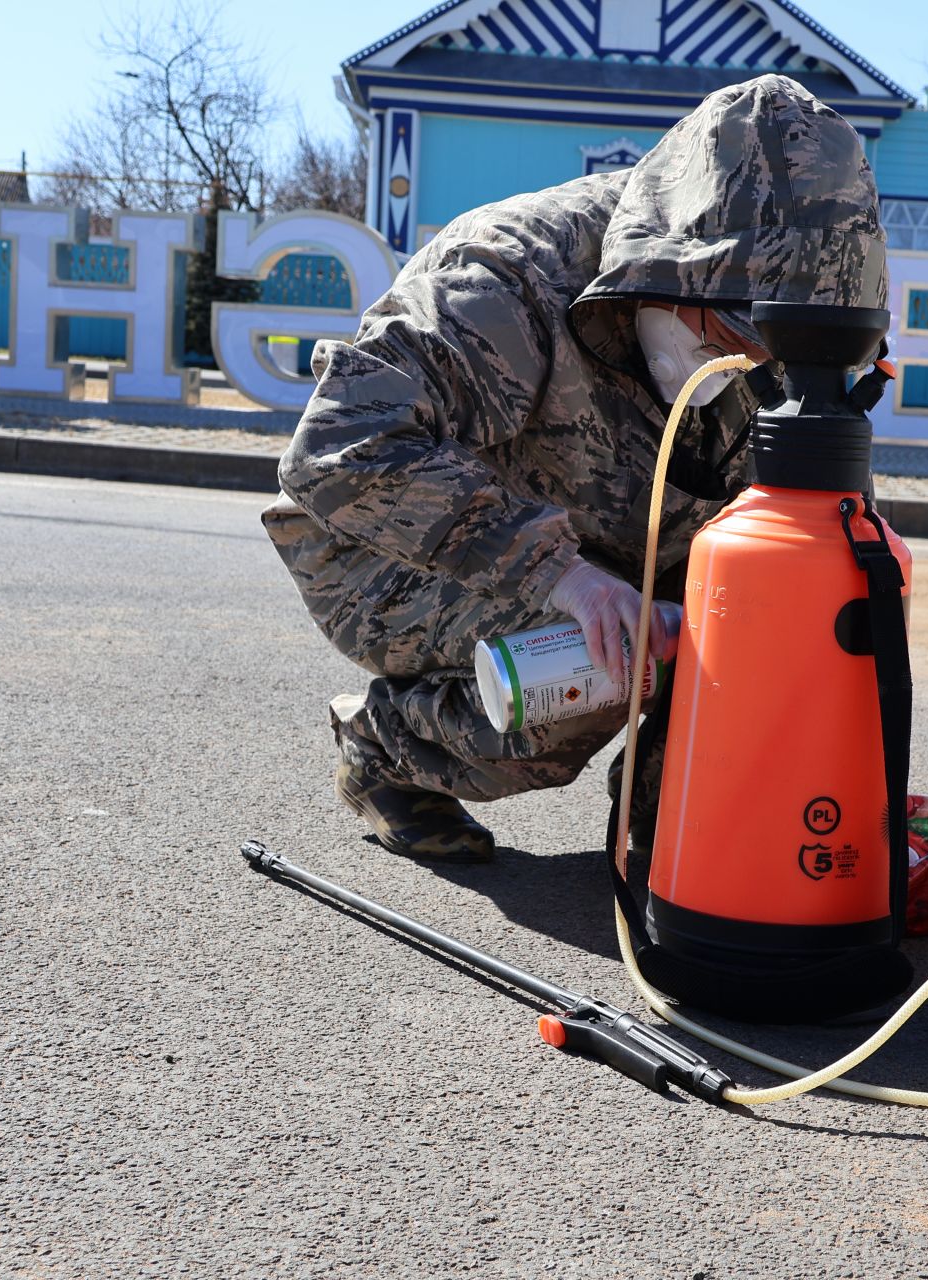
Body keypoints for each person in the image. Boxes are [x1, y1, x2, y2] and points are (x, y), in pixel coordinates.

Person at [261, 74, 887, 862]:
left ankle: (672, 822)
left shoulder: (788, 312)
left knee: (792, 622)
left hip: (619, 541)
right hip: (377, 550)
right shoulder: (511, 277)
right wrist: (562, 577)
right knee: (597, 663)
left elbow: (823, 533)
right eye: (745, 332)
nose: (763, 365)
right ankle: (383, 745)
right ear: (677, 266)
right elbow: (337, 450)